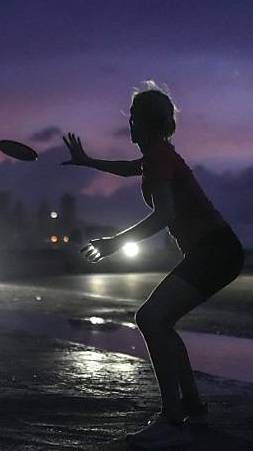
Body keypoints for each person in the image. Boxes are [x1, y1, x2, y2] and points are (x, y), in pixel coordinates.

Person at [61, 83, 243, 449]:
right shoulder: (158, 155)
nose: (128, 124)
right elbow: (131, 169)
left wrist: (114, 244)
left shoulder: (159, 157)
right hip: (215, 251)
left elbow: (164, 215)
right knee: (161, 322)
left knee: (150, 319)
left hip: (215, 251)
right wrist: (90, 162)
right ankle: (192, 407)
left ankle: (172, 419)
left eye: (132, 118)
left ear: (144, 123)